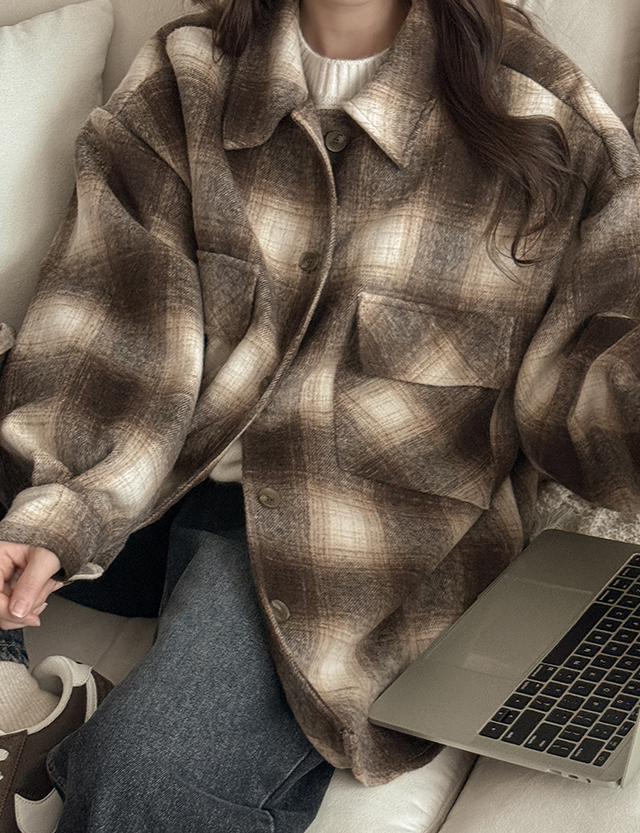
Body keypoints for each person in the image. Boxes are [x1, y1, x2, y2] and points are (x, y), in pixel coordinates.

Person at [1, 0, 640, 829]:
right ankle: (20, 706)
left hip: (342, 546)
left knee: (146, 779)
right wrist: (62, 509)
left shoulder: (546, 119)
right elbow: (114, 325)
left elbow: (587, 394)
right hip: (149, 471)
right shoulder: (186, 76)